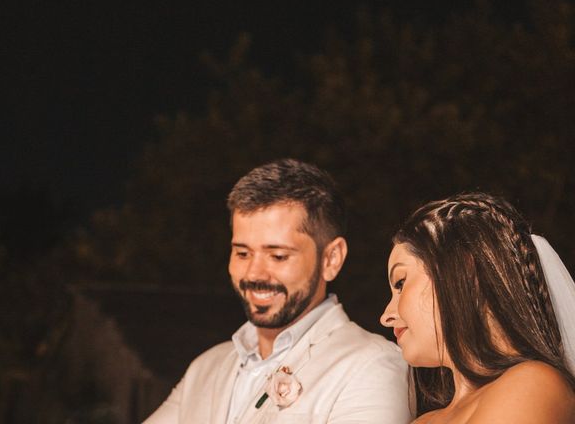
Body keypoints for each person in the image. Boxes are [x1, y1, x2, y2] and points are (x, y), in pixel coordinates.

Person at [145, 158, 411, 423]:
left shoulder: (373, 365)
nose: (253, 274)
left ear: (331, 259)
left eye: (278, 256)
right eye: (242, 253)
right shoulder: (206, 367)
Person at [381, 192, 575, 423]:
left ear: (463, 272)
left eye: (401, 283)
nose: (386, 316)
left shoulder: (532, 384)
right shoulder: (424, 420)